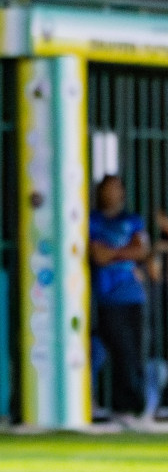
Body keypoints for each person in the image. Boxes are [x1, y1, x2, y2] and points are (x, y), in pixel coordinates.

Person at [89, 175, 148, 420]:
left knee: (131, 351)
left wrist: (112, 253)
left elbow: (141, 249)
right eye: (107, 189)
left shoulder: (132, 220)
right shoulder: (92, 221)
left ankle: (133, 405)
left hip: (132, 295)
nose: (111, 193)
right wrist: (126, 255)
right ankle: (120, 403)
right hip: (105, 296)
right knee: (108, 348)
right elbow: (97, 256)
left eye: (115, 188)